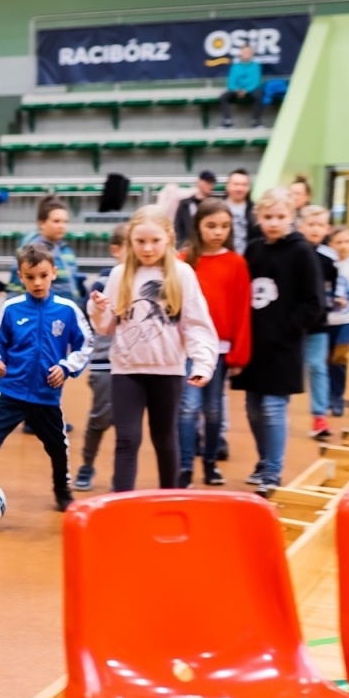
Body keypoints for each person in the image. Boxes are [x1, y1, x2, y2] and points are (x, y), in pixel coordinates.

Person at [0, 243, 92, 514]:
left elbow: (85, 345)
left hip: (46, 396)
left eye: (43, 276)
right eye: (30, 277)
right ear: (20, 277)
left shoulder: (67, 310)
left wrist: (66, 367)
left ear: (54, 273)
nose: (37, 282)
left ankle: (62, 490)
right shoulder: (11, 308)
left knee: (58, 446)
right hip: (11, 391)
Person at [88, 206, 217, 492]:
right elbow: (105, 326)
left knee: (165, 439)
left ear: (169, 238)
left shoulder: (182, 274)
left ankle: (169, 497)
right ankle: (120, 506)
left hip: (167, 371)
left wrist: (202, 363)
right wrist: (96, 309)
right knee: (127, 439)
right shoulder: (119, 275)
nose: (147, 248)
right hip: (126, 371)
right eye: (140, 241)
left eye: (155, 241)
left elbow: (196, 324)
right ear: (130, 241)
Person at [231, 188, 324, 495]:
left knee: (272, 407)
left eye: (281, 217)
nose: (274, 222)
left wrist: (287, 328)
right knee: (253, 408)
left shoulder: (301, 252)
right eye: (268, 217)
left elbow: (313, 303)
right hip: (253, 346)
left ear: (292, 218)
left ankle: (273, 470)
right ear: (258, 218)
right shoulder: (254, 250)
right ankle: (263, 460)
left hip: (282, 347)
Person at [178, 199, 251, 487]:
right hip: (187, 348)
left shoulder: (236, 263)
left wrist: (238, 355)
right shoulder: (184, 260)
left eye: (224, 226)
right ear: (198, 227)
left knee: (213, 409)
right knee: (187, 407)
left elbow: (242, 310)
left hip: (219, 349)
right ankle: (184, 467)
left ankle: (210, 463)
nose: (217, 232)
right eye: (211, 226)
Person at [73, 223, 127, 492]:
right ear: (116, 250)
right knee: (100, 418)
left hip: (133, 365)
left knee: (128, 426)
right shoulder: (104, 282)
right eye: (132, 245)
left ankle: (122, 477)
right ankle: (86, 465)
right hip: (105, 362)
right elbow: (88, 316)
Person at [298, 204, 335, 438]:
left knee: (318, 367)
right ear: (301, 226)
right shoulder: (294, 254)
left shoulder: (328, 261)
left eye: (320, 225)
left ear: (327, 229)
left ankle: (319, 417)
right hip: (292, 324)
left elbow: (330, 290)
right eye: (310, 225)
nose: (315, 229)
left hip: (318, 325)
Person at [326, 225, 349, 418]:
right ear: (331, 244)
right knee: (327, 359)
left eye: (347, 241)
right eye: (338, 242)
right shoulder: (327, 263)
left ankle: (338, 397)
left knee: (340, 357)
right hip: (329, 319)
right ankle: (327, 396)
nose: (343, 246)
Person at [21, 197, 84, 301]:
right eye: (56, 221)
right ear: (41, 224)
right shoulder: (31, 251)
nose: (62, 226)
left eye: (65, 222)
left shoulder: (67, 249)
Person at [218, 45, 264, 129]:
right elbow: (231, 82)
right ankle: (227, 122)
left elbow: (255, 82)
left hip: (250, 91)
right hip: (237, 91)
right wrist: (237, 90)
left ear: (252, 54)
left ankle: (256, 121)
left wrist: (245, 90)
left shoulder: (256, 66)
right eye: (245, 52)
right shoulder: (235, 67)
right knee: (224, 96)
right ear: (241, 53)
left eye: (248, 52)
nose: (246, 53)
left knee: (259, 94)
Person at [172, 170, 217, 250]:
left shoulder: (214, 205)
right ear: (199, 182)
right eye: (207, 182)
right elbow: (178, 228)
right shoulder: (185, 204)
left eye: (211, 183)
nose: (209, 185)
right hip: (188, 248)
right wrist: (181, 246)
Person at [223, 168, 256, 254]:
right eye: (236, 184)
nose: (239, 188)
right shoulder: (217, 208)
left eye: (244, 185)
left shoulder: (256, 210)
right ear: (227, 186)